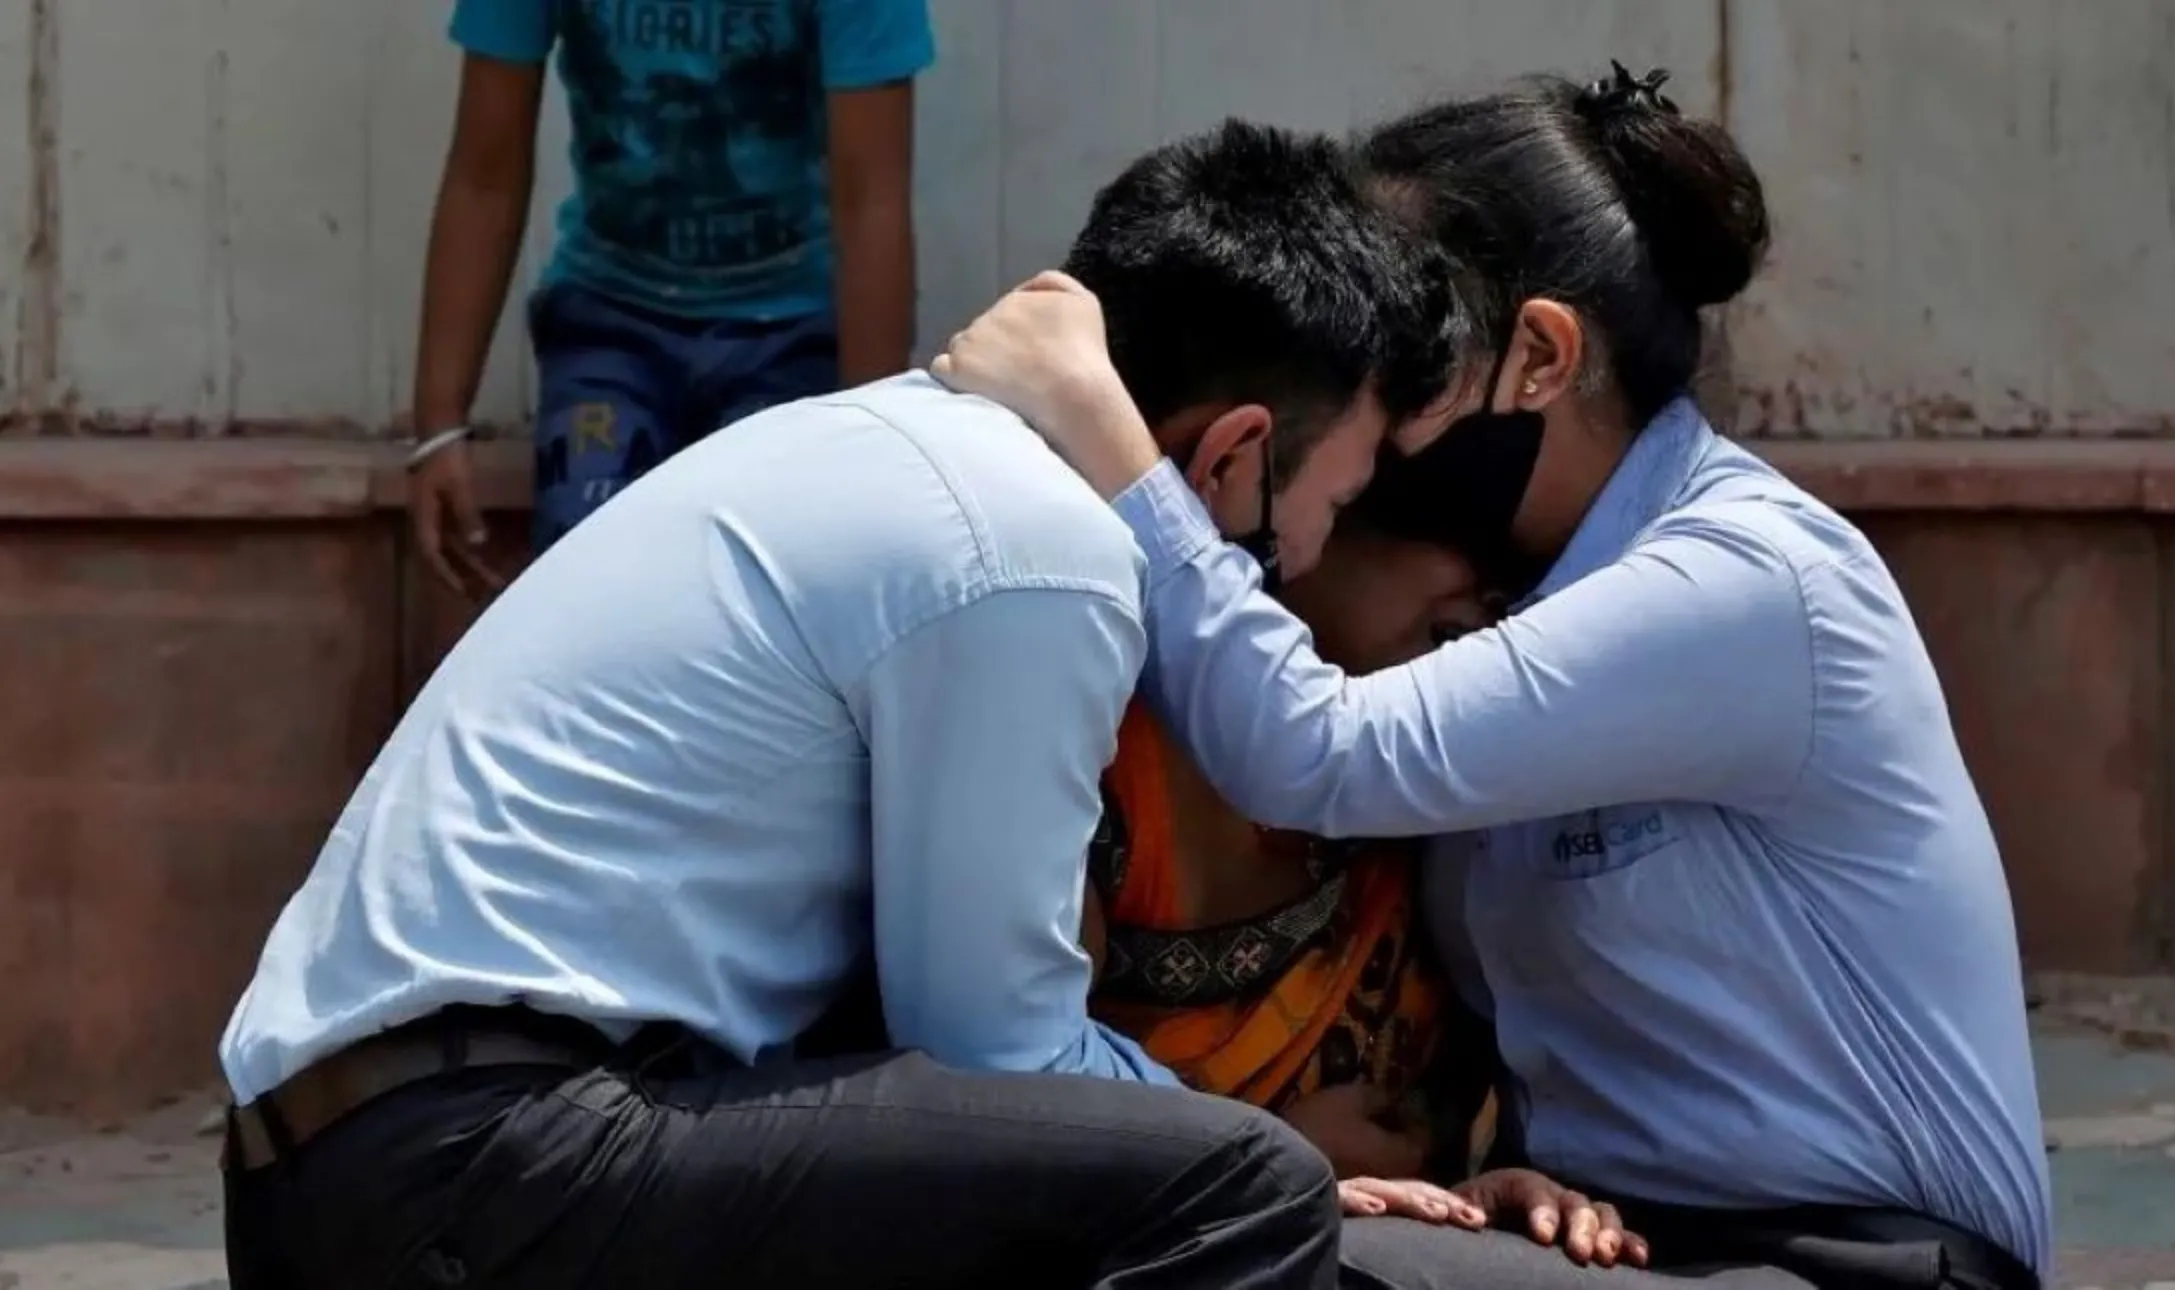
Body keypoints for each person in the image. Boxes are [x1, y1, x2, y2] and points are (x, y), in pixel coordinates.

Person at [215, 120, 1465, 1290]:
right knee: (1245, 1189)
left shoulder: (889, 450)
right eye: (1334, 504)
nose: (1305, 558)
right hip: (481, 1158)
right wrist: (1276, 1145)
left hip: (364, 1155)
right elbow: (997, 1044)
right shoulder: (1034, 550)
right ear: (1232, 452)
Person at [932, 66, 2053, 1290]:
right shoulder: (1515, 601)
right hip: (1629, 1245)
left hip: (1857, 1260)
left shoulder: (1746, 581)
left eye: (1408, 347)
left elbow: (1321, 757)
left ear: (1540, 355)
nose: (1367, 390)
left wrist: (1112, 439)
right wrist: (1505, 1175)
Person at [403, 0, 934, 594]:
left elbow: (871, 202)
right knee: (582, 591)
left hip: (790, 331)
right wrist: (439, 428)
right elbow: (485, 172)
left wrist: (869, 440)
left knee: (767, 595)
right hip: (610, 320)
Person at [1084, 520, 1503, 1185]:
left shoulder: (1465, 786)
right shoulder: (1109, 763)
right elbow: (1017, 1107)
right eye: (1474, 535)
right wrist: (1268, 1162)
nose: (1504, 592)